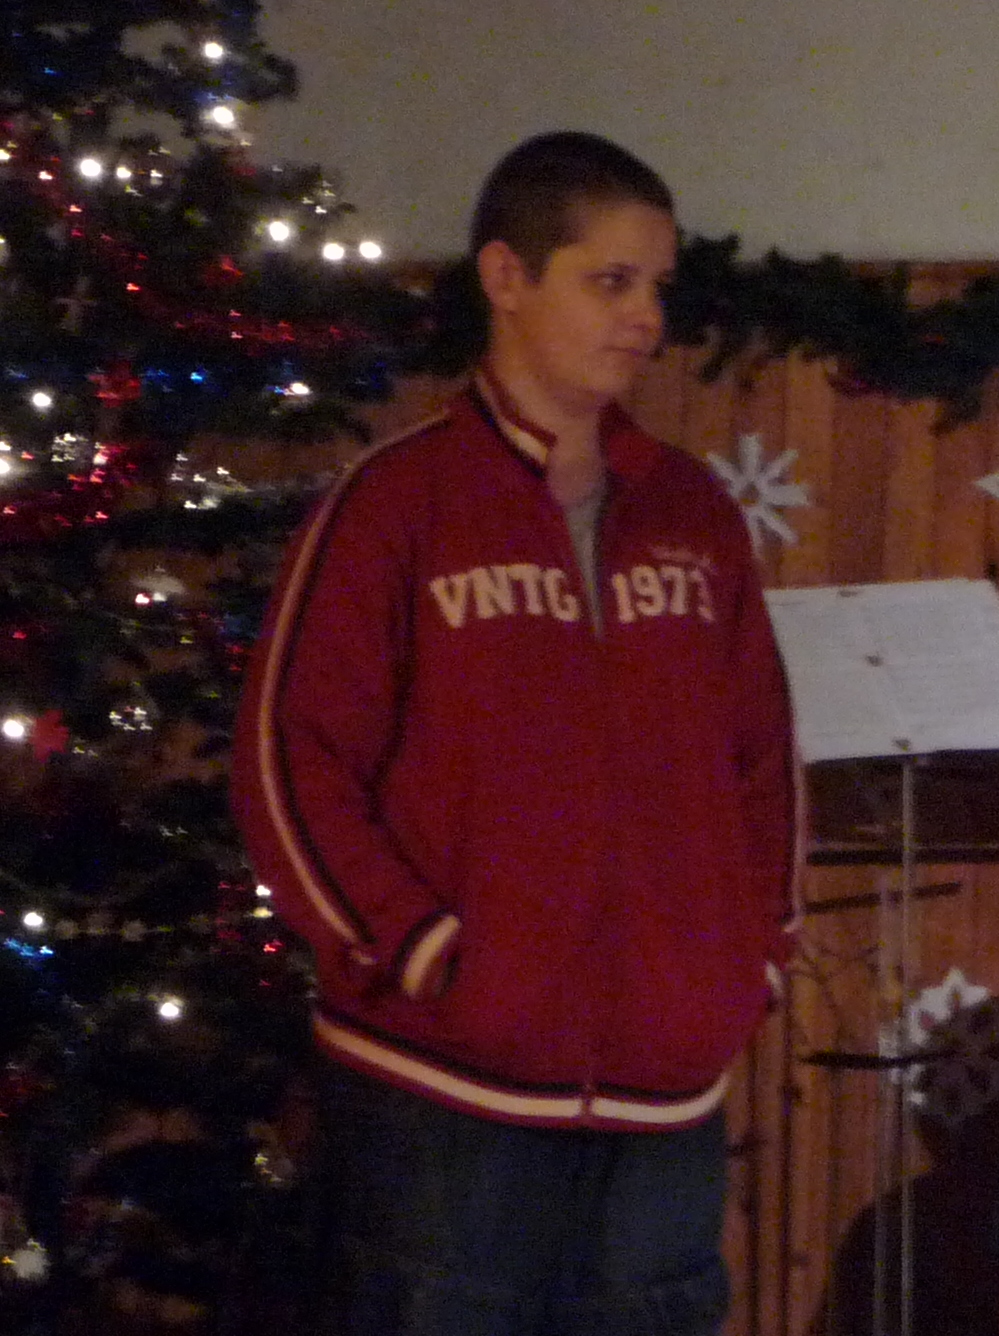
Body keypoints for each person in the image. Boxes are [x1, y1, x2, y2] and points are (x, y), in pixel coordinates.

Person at [231, 131, 803, 1333]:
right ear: (506, 276)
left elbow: (762, 761)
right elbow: (293, 762)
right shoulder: (396, 504)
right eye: (611, 282)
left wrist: (747, 956)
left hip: (662, 1091)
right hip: (443, 1088)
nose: (646, 318)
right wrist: (424, 951)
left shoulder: (694, 512)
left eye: (658, 286)